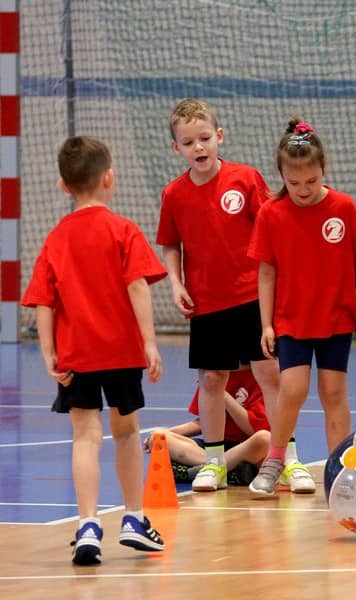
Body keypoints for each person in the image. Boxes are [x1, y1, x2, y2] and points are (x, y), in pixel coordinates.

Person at [22, 136, 167, 565]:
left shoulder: (56, 238)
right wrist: (150, 341)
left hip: (77, 355)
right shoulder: (123, 230)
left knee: (84, 437)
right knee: (126, 432)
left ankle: (88, 525)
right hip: (121, 352)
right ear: (109, 178)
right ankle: (134, 518)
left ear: (64, 186)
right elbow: (137, 286)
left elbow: (44, 302)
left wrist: (48, 352)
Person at [157, 99, 314, 493]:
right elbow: (171, 243)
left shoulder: (245, 179)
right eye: (188, 142)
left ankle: (286, 459)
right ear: (176, 148)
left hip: (251, 298)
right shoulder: (174, 194)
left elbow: (271, 227)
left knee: (269, 375)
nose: (198, 147)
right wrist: (176, 282)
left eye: (204, 138)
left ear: (219, 136)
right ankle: (213, 464)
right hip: (206, 303)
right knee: (212, 380)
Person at [246, 118, 356, 498]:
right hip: (291, 319)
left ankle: (341, 472)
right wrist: (266, 324)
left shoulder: (344, 207)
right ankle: (275, 461)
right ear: (282, 176)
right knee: (292, 389)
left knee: (333, 393)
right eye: (294, 183)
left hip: (336, 317)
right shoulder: (271, 213)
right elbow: (266, 273)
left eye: (311, 181)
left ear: (324, 170)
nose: (303, 190)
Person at [143, 368, 272, 487]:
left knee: (264, 439)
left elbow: (253, 429)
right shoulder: (212, 372)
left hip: (244, 447)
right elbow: (202, 422)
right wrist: (164, 433)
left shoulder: (260, 375)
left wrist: (221, 394)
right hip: (213, 448)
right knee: (158, 438)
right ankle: (223, 469)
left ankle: (203, 469)